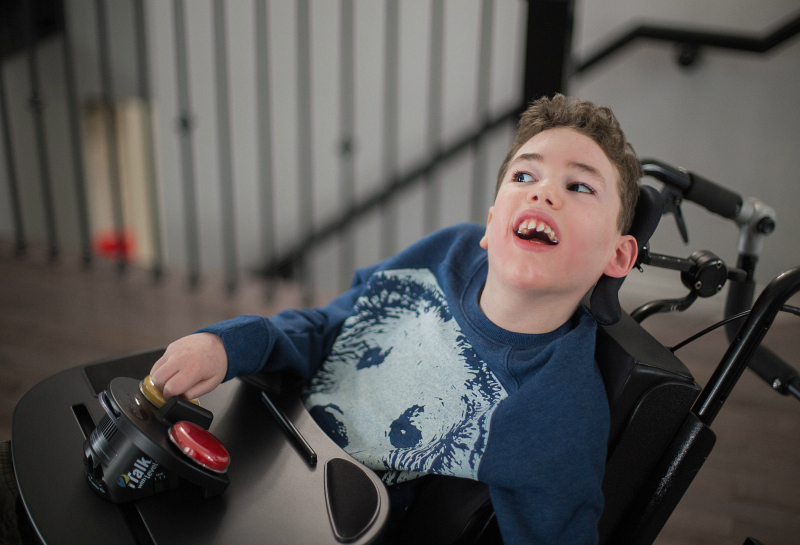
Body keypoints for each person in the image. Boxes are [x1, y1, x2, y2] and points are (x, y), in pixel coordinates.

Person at [150, 94, 641, 544]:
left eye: (579, 185)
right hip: (266, 436)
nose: (544, 193)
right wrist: (229, 344)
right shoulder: (447, 252)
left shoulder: (558, 407)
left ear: (618, 256)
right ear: (492, 224)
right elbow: (329, 325)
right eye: (524, 176)